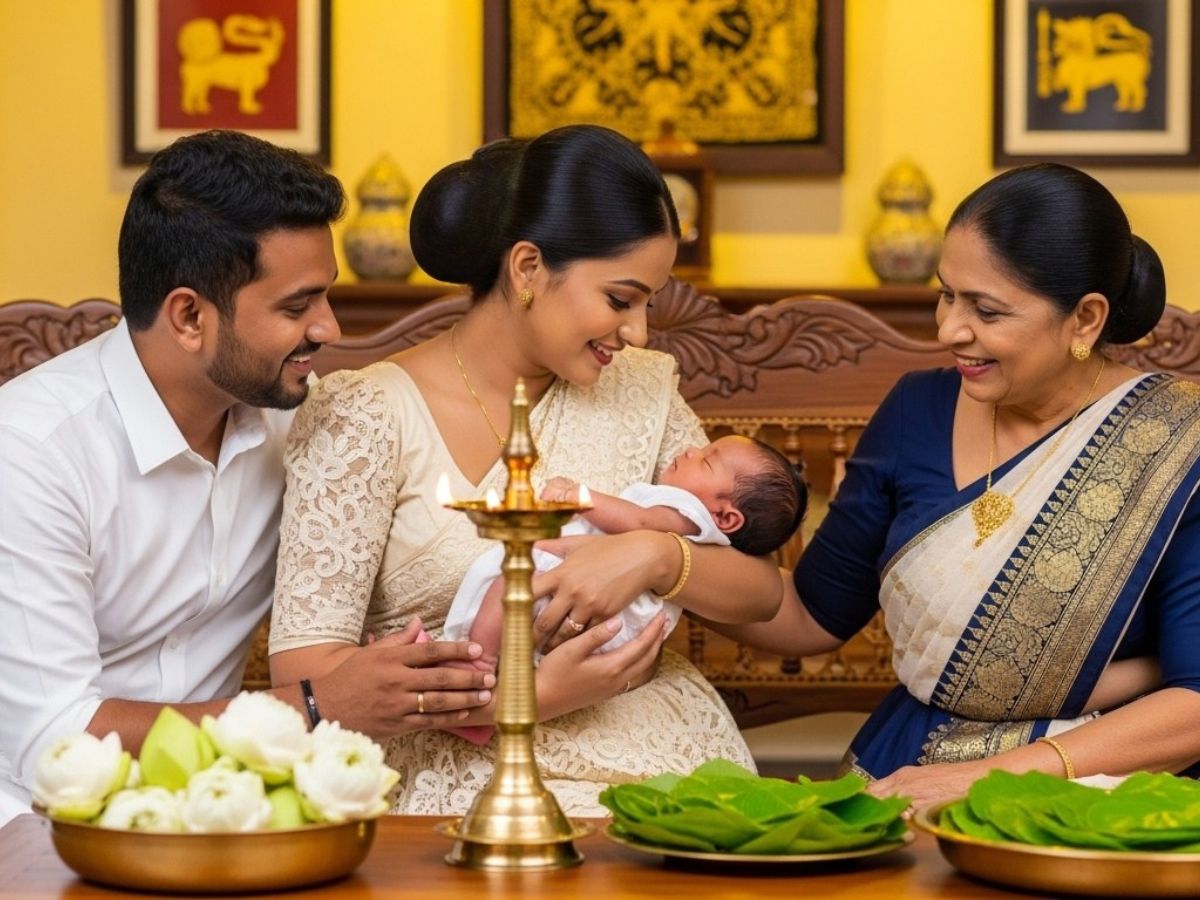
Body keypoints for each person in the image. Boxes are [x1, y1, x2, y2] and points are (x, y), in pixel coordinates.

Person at [268, 124, 784, 816]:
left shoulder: (642, 388)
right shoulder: (362, 415)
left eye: (648, 303)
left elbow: (760, 593)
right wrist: (532, 698)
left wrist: (652, 554)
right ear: (528, 269)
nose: (637, 332)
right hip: (456, 772)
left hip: (658, 754)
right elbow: (309, 678)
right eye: (620, 299)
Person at [0, 130, 492, 824]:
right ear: (189, 316)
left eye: (325, 298)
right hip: (34, 827)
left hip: (231, 813)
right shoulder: (30, 452)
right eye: (297, 307)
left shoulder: (307, 427)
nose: (328, 329)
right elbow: (50, 739)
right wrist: (318, 707)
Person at [710, 163, 1200, 811]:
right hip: (905, 770)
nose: (948, 331)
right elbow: (810, 618)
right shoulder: (917, 412)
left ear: (1085, 320)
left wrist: (987, 776)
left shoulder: (1176, 440)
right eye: (947, 295)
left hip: (1097, 791)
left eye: (986, 310)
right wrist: (664, 559)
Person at [440, 435, 806, 744]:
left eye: (708, 461)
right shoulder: (693, 515)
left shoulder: (687, 512)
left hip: (604, 603)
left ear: (726, 517)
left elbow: (638, 521)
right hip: (605, 612)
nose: (692, 450)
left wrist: (578, 495)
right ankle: (483, 693)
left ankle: (478, 670)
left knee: (506, 588)